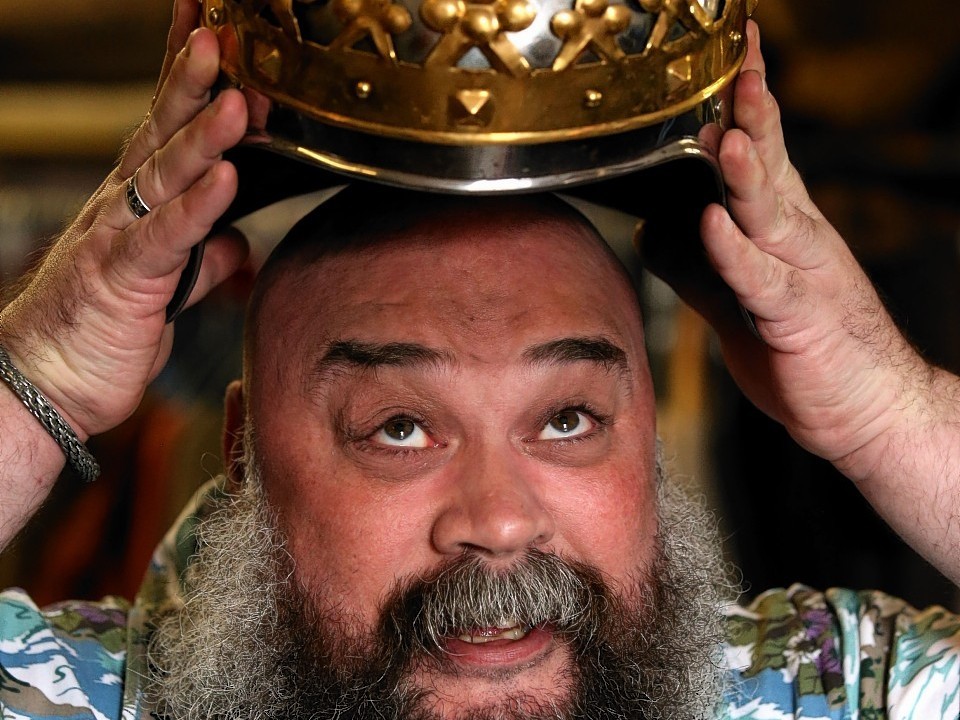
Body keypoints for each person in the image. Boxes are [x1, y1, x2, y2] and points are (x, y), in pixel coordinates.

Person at [0, 4, 958, 719]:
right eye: (401, 428)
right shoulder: (84, 700)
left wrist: (884, 410)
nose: (499, 522)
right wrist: (41, 372)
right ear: (244, 455)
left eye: (567, 419)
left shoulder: (817, 693)